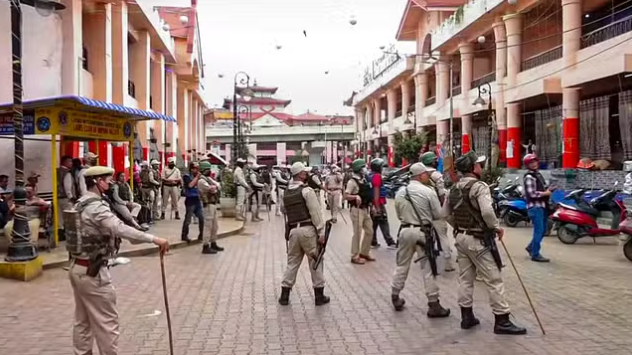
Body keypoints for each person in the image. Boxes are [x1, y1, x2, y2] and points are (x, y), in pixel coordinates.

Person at [67, 166, 169, 355]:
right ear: (98, 182)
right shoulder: (96, 207)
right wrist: (153, 239)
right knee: (107, 322)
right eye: (107, 179)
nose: (110, 183)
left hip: (78, 267)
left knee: (83, 320)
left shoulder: (80, 203)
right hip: (93, 272)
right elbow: (119, 228)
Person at [445, 151, 527, 335]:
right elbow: (488, 212)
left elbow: (444, 214)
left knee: (465, 279)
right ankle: (502, 320)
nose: (480, 167)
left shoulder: (454, 188)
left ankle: (467, 318)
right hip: (478, 240)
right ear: (473, 168)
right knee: (494, 279)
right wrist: (496, 227)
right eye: (479, 165)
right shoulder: (479, 186)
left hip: (461, 238)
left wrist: (458, 227)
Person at [390, 163, 450, 317]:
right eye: (426, 173)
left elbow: (398, 214)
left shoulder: (400, 193)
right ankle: (433, 303)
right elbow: (438, 215)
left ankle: (395, 295)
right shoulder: (428, 191)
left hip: (404, 231)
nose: (428, 176)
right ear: (420, 175)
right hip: (423, 233)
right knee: (428, 268)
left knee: (402, 265)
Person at [278, 162, 330, 306]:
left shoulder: (286, 192)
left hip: (293, 232)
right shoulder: (307, 191)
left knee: (292, 262)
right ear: (300, 174)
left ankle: (284, 295)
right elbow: (315, 212)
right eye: (305, 173)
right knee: (316, 261)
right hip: (308, 231)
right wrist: (321, 231)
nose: (306, 175)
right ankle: (319, 295)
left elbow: (283, 210)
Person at [420, 151, 456, 272]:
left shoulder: (419, 174)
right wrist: (444, 208)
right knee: (443, 236)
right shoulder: (436, 175)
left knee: (425, 235)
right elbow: (441, 194)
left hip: (422, 210)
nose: (436, 161)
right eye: (434, 160)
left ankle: (427, 258)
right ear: (432, 162)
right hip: (436, 210)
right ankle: (448, 263)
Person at [345, 159, 374, 264]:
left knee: (370, 231)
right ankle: (354, 255)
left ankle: (364, 253)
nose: (365, 169)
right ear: (358, 169)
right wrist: (354, 196)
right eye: (363, 167)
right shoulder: (352, 182)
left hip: (366, 209)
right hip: (356, 209)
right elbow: (345, 196)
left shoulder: (365, 179)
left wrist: (372, 206)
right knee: (357, 233)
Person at [523, 154, 551, 263]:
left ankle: (531, 247)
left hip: (542, 207)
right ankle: (535, 254)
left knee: (543, 229)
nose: (534, 164)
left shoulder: (537, 175)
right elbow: (532, 194)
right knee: (539, 231)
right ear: (527, 165)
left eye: (535, 161)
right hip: (535, 207)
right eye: (531, 163)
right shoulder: (529, 177)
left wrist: (549, 189)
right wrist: (546, 193)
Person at [368, 158, 396, 249]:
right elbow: (376, 192)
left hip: (372, 204)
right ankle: (390, 242)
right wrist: (378, 208)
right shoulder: (376, 176)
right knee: (383, 222)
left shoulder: (370, 175)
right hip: (378, 203)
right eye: (381, 167)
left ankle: (373, 241)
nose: (382, 168)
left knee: (374, 223)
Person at [198, 161, 224, 254]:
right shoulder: (201, 181)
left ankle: (213, 243)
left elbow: (218, 186)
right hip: (207, 204)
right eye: (207, 169)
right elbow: (212, 189)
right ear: (203, 170)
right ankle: (205, 246)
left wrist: (215, 187)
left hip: (213, 204)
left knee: (215, 226)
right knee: (208, 226)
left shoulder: (208, 179)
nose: (209, 171)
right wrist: (215, 188)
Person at [181, 162, 204, 242]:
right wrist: (197, 177)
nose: (197, 170)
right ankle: (184, 235)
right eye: (195, 168)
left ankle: (201, 235)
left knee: (201, 218)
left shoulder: (198, 177)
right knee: (188, 219)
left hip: (197, 200)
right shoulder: (186, 176)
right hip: (190, 200)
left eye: (198, 168)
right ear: (191, 169)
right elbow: (190, 185)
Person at [57, 155, 76, 240]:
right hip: (65, 198)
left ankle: (60, 234)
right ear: (64, 162)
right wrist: (71, 197)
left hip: (57, 197)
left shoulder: (57, 171)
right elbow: (67, 186)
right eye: (70, 161)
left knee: (59, 217)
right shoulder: (67, 172)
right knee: (69, 216)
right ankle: (69, 234)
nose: (71, 163)